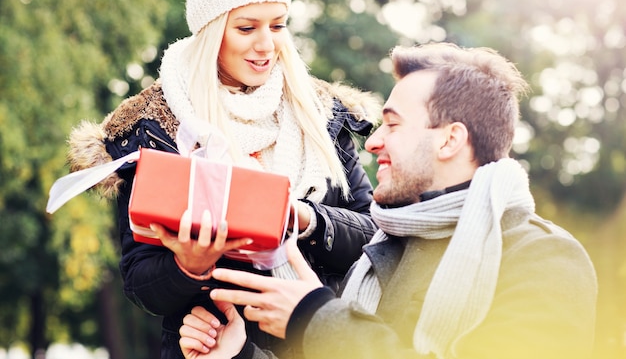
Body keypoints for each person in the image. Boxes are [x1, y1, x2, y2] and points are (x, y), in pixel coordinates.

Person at [178, 42, 598, 359]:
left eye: (392, 125)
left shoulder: (546, 259)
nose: (373, 141)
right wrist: (239, 355)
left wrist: (314, 316)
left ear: (450, 139)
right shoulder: (380, 254)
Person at [64, 0, 380, 358]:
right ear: (212, 31)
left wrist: (302, 217)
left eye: (278, 25)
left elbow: (374, 238)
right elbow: (140, 282)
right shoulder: (156, 126)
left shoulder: (321, 112)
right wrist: (188, 267)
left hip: (318, 344)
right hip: (211, 350)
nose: (267, 45)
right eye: (247, 28)